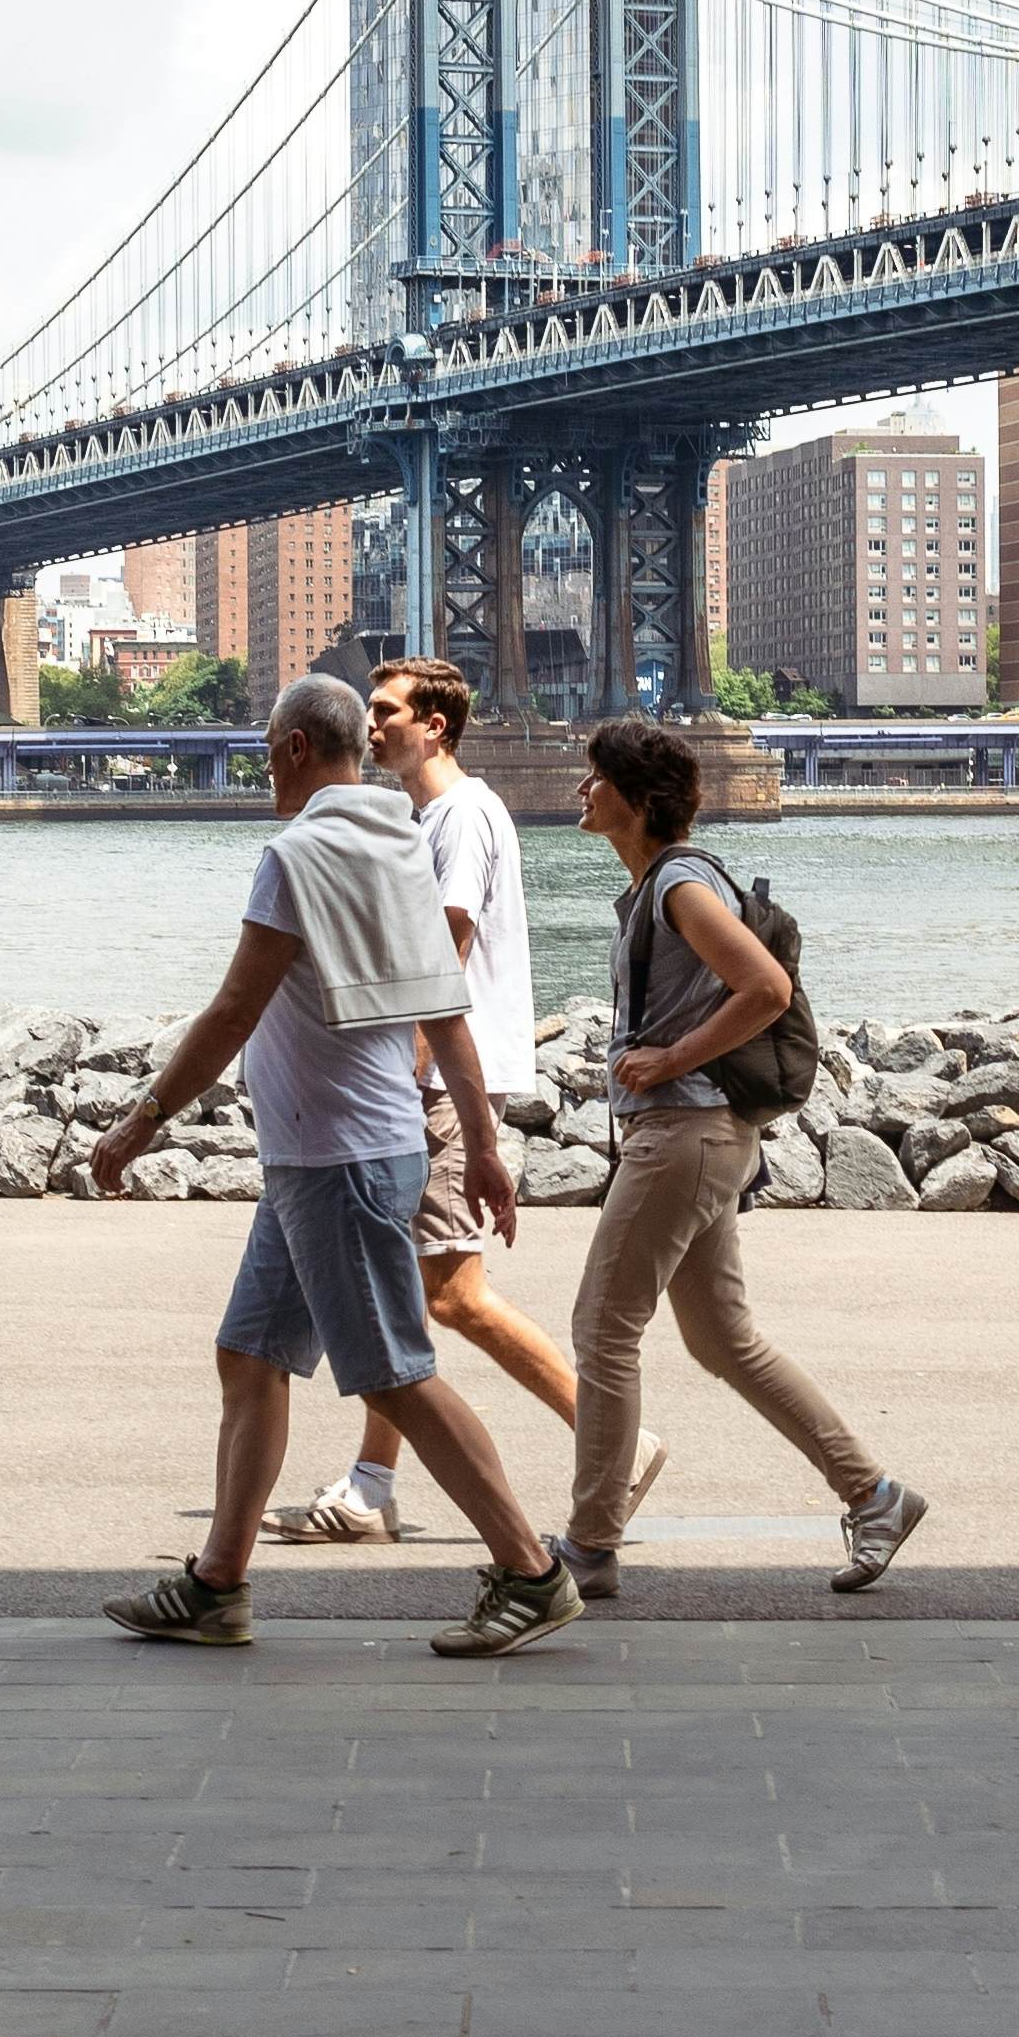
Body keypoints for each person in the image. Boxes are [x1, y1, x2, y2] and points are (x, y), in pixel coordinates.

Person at [88, 673, 582, 1660]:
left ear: (294, 751)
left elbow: (232, 1011)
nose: (265, 767)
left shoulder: (295, 854)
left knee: (394, 1375)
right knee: (251, 1355)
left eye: (269, 751)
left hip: (337, 1159)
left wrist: (138, 1122)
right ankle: (215, 1587)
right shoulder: (399, 840)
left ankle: (530, 1573)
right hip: (345, 1151)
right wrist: (481, 1144)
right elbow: (443, 1006)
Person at [263, 654, 666, 1545]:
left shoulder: (460, 818)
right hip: (435, 1083)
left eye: (385, 711)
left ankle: (617, 1446)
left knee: (452, 1296)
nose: (370, 727)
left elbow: (435, 960)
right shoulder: (429, 815)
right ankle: (370, 1489)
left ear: (433, 725)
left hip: (439, 1085)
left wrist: (399, 1081)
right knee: (403, 1297)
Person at [560, 717, 928, 1603]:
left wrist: (668, 1058)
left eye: (594, 777)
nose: (581, 791)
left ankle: (589, 1543)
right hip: (706, 1137)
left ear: (636, 799)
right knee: (723, 1338)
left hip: (684, 1133)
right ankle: (874, 1495)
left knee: (603, 1332)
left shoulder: (679, 883)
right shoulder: (663, 884)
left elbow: (765, 989)